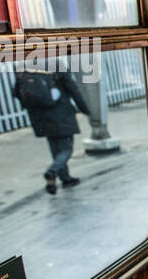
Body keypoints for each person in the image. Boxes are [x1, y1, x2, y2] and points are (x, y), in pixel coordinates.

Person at [12, 64, 93, 195]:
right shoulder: (57, 66)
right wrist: (86, 109)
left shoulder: (24, 68)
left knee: (55, 148)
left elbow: (16, 92)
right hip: (61, 114)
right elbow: (74, 90)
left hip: (40, 117)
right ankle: (53, 171)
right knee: (67, 149)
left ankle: (65, 179)